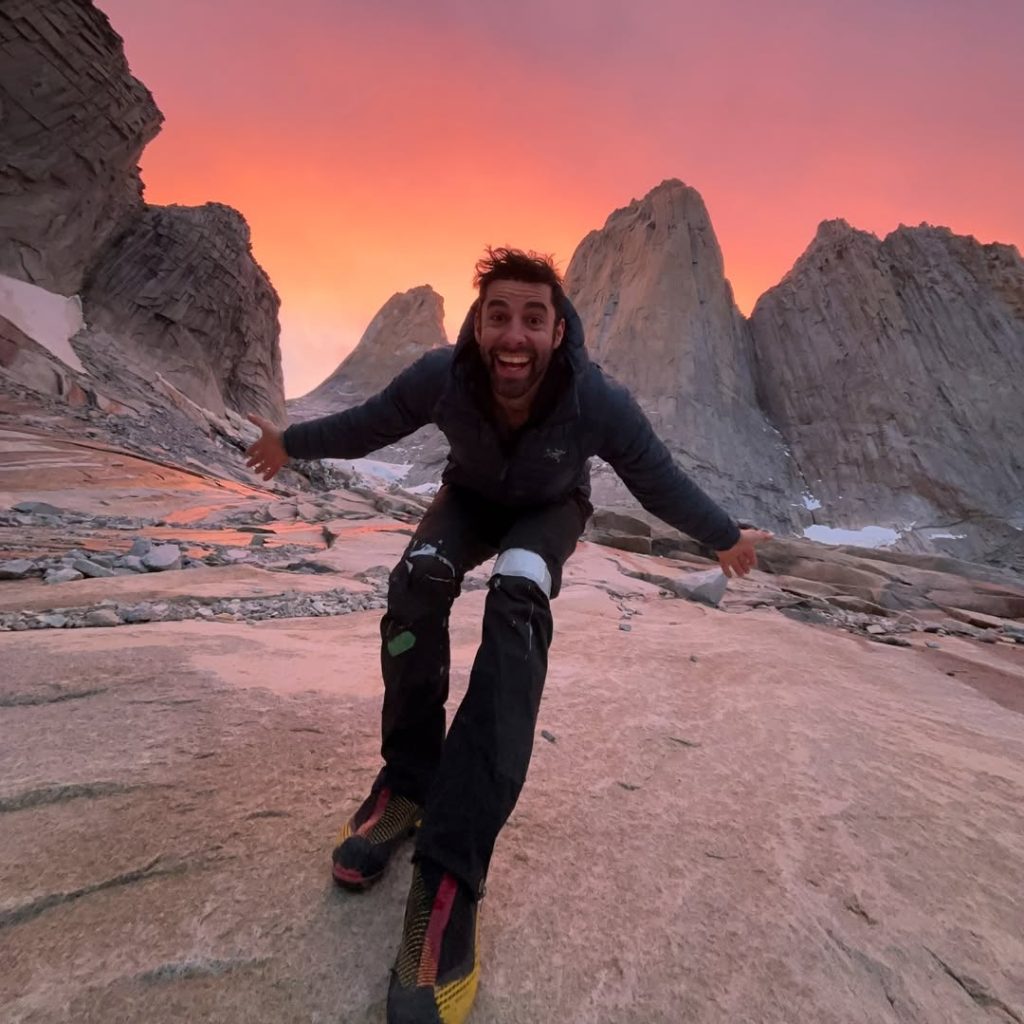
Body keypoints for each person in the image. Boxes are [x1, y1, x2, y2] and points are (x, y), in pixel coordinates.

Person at [245, 247, 772, 1024]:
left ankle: (451, 869)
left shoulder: (598, 401)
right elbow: (374, 422)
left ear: (559, 331)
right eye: (499, 316)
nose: (514, 334)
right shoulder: (444, 374)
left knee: (518, 602)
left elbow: (657, 478)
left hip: (547, 512)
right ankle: (407, 785)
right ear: (478, 324)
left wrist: (723, 535)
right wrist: (293, 442)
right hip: (469, 500)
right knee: (417, 583)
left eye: (533, 317)